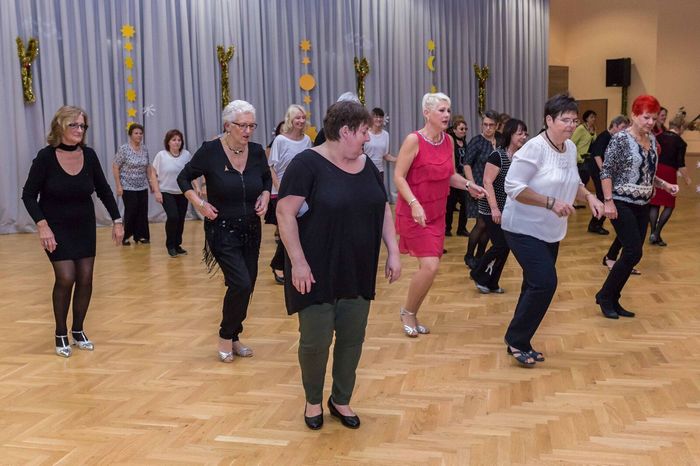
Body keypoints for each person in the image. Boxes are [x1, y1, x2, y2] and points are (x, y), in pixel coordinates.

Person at [276, 101, 401, 430]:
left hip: (357, 268)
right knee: (315, 342)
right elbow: (284, 213)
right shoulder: (306, 165)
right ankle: (313, 400)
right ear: (345, 131)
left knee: (352, 338)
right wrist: (298, 263)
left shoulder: (367, 165)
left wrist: (393, 250)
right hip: (314, 270)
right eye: (363, 132)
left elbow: (382, 207)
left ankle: (341, 399)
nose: (368, 139)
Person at [501, 94, 604, 366]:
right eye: (565, 120)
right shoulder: (534, 148)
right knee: (545, 282)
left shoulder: (569, 148)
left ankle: (519, 339)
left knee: (533, 284)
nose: (571, 125)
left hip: (550, 230)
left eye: (574, 120)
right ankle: (516, 340)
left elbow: (573, 182)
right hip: (522, 227)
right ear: (549, 120)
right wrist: (550, 202)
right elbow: (513, 187)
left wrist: (590, 197)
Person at [21, 106, 124, 357]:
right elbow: (28, 195)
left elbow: (103, 189)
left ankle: (78, 330)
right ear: (60, 126)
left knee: (86, 278)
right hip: (55, 228)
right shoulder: (45, 157)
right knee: (66, 277)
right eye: (74, 125)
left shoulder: (89, 155)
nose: (79, 130)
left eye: (82, 126)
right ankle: (60, 332)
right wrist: (42, 226)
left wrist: (117, 220)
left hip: (84, 226)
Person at [177, 100, 271, 361]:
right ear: (228, 125)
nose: (248, 131)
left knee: (247, 285)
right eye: (243, 125)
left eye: (252, 125)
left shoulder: (256, 151)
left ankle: (235, 335)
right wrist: (200, 203)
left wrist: (265, 195)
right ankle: (225, 335)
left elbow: (265, 177)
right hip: (222, 228)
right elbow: (183, 178)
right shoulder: (210, 151)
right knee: (240, 283)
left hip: (251, 228)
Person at [394, 93, 487, 338]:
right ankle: (407, 312)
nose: (447, 115)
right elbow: (398, 177)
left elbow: (450, 175)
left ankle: (412, 312)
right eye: (441, 110)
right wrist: (414, 203)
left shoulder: (447, 141)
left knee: (431, 269)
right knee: (430, 266)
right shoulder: (413, 140)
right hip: (415, 213)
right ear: (427, 113)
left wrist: (469, 185)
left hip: (436, 214)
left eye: (448, 110)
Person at [596, 95, 679, 319]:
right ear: (634, 115)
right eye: (646, 117)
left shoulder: (651, 139)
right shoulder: (621, 139)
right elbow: (606, 171)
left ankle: (612, 297)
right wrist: (608, 201)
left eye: (654, 118)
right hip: (621, 202)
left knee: (632, 254)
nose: (651, 122)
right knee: (633, 251)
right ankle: (605, 296)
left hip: (643, 203)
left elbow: (648, 173)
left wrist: (665, 185)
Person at [470, 118, 528, 294]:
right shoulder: (498, 156)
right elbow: (487, 182)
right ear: (510, 134)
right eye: (520, 133)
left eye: (525, 134)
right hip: (491, 208)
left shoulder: (519, 157)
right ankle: (478, 273)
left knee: (505, 246)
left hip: (508, 210)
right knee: (501, 245)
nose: (524, 137)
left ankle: (492, 282)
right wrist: (494, 208)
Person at [268, 105, 312, 284]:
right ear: (290, 120)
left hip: (301, 192)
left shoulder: (307, 140)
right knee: (288, 231)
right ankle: (278, 265)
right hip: (281, 192)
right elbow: (272, 167)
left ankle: (293, 264)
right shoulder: (280, 140)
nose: (301, 121)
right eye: (297, 118)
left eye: (303, 117)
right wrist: (281, 190)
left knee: (300, 231)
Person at [150, 129, 198, 257]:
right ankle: (170, 245)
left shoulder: (186, 155)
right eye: (174, 140)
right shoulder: (161, 155)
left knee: (181, 219)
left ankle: (177, 245)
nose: (177, 142)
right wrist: (157, 191)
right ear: (168, 142)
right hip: (166, 192)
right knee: (173, 217)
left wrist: (196, 186)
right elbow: (153, 174)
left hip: (183, 192)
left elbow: (191, 173)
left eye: (179, 140)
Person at [463, 110, 500, 269]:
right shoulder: (477, 141)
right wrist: (472, 185)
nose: (488, 128)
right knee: (481, 223)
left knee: (488, 225)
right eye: (485, 124)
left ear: (497, 126)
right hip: (479, 188)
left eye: (491, 125)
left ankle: (480, 256)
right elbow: (466, 164)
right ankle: (469, 256)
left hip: (495, 190)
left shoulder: (500, 141)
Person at [648, 115, 692, 246]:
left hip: (656, 170)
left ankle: (652, 232)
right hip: (669, 173)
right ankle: (657, 233)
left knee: (654, 203)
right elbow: (680, 164)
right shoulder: (681, 142)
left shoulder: (658, 137)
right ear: (680, 127)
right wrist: (687, 178)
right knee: (669, 205)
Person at [586, 115, 630, 235]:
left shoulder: (614, 138)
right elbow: (597, 156)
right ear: (614, 125)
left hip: (603, 172)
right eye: (622, 127)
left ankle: (595, 224)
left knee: (603, 197)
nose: (624, 130)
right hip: (598, 171)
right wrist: (605, 173)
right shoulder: (605, 136)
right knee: (603, 197)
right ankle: (595, 224)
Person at [112, 123, 153, 245]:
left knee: (142, 211)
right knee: (132, 210)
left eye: (140, 133)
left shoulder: (144, 149)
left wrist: (151, 183)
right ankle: (125, 236)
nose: (139, 135)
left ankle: (141, 235)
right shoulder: (124, 149)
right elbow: (115, 166)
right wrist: (118, 185)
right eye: (136, 133)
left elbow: (147, 167)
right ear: (130, 135)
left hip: (142, 185)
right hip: (127, 186)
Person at [444, 116, 469, 237]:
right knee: (450, 204)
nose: (464, 131)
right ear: (454, 130)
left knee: (465, 203)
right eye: (461, 129)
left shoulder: (464, 142)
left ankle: (462, 228)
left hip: (462, 178)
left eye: (465, 129)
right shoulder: (450, 141)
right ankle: (447, 228)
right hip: (452, 178)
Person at [365, 107, 397, 202]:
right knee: (367, 196)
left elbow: (385, 155)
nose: (378, 119)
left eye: (380, 117)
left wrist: (399, 160)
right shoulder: (365, 133)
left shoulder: (386, 135)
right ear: (371, 118)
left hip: (379, 171)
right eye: (376, 117)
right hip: (366, 170)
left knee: (378, 197)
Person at [571, 110, 597, 189]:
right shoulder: (581, 128)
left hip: (589, 158)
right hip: (581, 158)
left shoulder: (593, 128)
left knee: (586, 179)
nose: (594, 119)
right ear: (586, 118)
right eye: (591, 117)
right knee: (582, 178)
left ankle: (580, 194)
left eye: (594, 117)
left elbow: (594, 141)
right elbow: (572, 143)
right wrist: (578, 157)